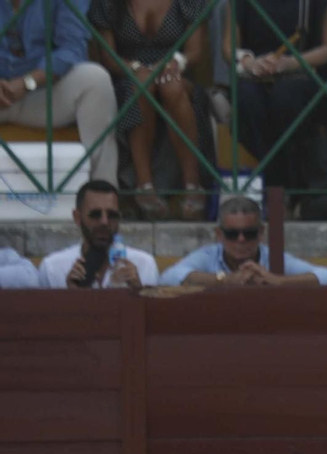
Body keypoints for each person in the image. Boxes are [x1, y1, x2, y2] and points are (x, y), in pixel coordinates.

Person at [89, 0, 219, 220]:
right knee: (142, 86)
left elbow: (195, 51)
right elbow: (108, 57)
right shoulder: (108, 3)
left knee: (171, 86)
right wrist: (136, 68)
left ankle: (193, 185)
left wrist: (176, 63)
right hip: (128, 76)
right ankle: (144, 186)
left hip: (176, 72)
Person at [224, 0, 327, 191]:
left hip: (307, 74)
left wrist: (291, 63)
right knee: (245, 98)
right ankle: (283, 186)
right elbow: (229, 47)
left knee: (284, 98)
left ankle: (281, 189)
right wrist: (250, 63)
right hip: (258, 75)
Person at [0, 0, 119, 183]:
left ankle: (101, 193)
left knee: (95, 80)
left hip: (40, 91)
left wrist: (27, 82)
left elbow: (72, 47)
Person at [158, 196, 327, 285]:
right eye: (232, 234)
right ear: (219, 235)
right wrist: (225, 280)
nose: (241, 240)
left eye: (249, 233)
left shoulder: (272, 256)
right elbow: (168, 278)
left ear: (261, 232)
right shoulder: (208, 255)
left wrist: (278, 281)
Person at [38, 179, 158, 289]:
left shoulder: (144, 265)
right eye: (95, 215)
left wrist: (137, 293)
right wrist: (72, 296)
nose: (104, 222)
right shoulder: (53, 268)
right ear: (77, 217)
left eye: (111, 215)